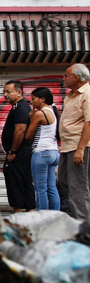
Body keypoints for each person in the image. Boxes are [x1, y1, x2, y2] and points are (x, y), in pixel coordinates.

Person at [58, 64, 90, 219]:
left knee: (78, 186)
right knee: (63, 181)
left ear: (76, 77)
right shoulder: (70, 96)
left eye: (65, 75)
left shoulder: (87, 94)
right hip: (67, 146)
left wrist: (80, 149)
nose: (63, 78)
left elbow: (89, 123)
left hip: (78, 146)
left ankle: (83, 226)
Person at [1, 80, 36, 212]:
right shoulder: (17, 107)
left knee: (16, 181)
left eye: (8, 92)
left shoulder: (21, 107)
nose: (5, 95)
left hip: (19, 152)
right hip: (20, 151)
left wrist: (12, 151)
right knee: (22, 180)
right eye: (4, 92)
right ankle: (28, 211)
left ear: (19, 92)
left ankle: (19, 212)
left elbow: (20, 130)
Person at [26, 87, 61, 211]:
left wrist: (32, 119)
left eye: (33, 99)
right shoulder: (52, 111)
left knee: (40, 188)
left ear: (42, 99)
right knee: (51, 186)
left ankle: (41, 216)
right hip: (54, 152)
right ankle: (55, 215)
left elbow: (28, 135)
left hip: (41, 152)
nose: (32, 102)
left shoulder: (40, 114)